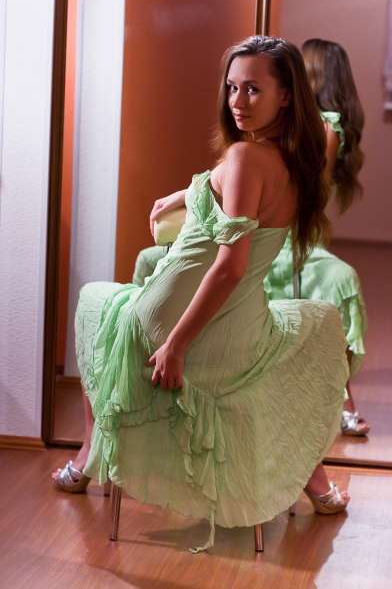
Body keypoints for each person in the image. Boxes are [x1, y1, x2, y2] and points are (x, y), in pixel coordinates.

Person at [53, 36, 350, 552]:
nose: (237, 101)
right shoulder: (296, 157)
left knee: (95, 300)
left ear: (286, 96)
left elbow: (230, 267)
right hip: (235, 330)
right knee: (313, 330)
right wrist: (186, 194)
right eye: (232, 87)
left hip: (176, 327)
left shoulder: (245, 157)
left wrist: (176, 345)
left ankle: (86, 457)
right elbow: (234, 188)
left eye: (253, 89)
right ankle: (316, 482)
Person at [264, 38, 368, 436]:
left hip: (294, 232)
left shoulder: (325, 129)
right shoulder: (308, 127)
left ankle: (339, 399)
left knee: (334, 287)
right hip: (282, 232)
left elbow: (308, 193)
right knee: (333, 287)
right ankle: (340, 401)